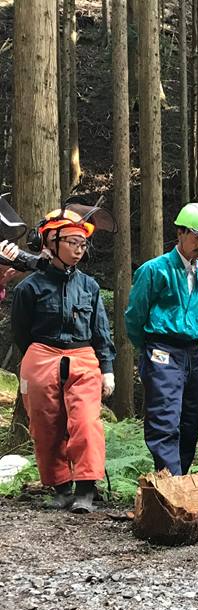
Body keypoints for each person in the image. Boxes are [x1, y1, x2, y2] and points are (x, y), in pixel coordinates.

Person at [10, 208, 115, 512]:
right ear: (51, 243)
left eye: (83, 244)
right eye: (72, 242)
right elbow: (21, 332)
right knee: (45, 424)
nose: (78, 250)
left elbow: (101, 332)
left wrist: (107, 369)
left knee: (86, 421)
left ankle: (85, 488)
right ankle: (60, 486)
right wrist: (38, 358)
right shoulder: (29, 287)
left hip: (82, 356)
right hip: (41, 354)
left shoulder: (90, 287)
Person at [124, 203, 198, 476]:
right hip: (161, 347)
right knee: (165, 418)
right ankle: (171, 483)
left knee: (189, 421)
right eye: (197, 237)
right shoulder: (155, 270)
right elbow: (134, 314)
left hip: (191, 351)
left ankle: (180, 479)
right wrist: (148, 349)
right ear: (180, 233)